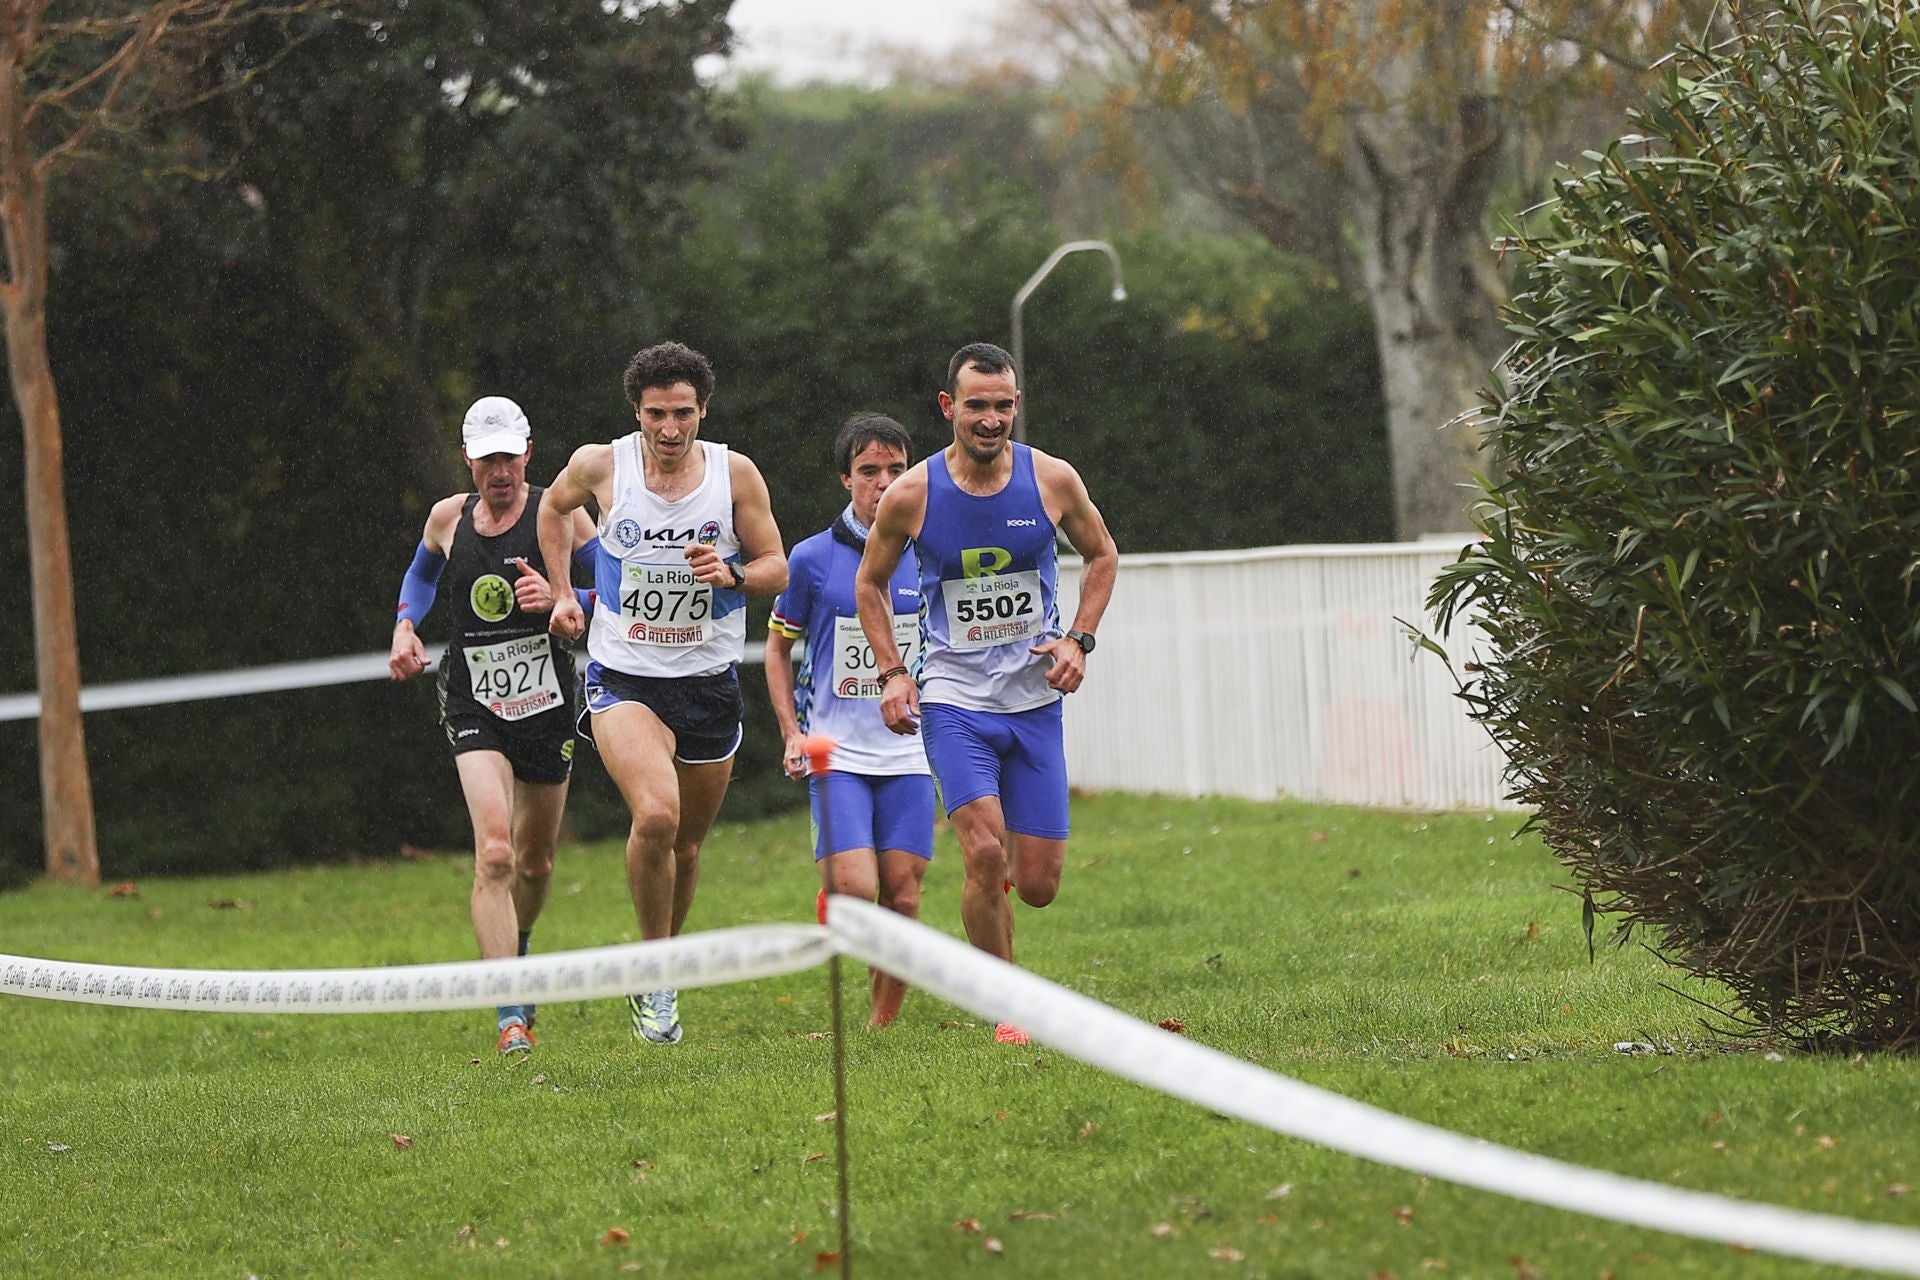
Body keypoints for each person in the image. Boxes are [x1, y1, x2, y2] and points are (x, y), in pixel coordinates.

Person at [855, 342, 1118, 1045]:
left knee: (1036, 884)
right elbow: (869, 585)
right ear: (949, 408)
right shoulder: (911, 494)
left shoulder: (1052, 480)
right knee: (981, 851)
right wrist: (892, 672)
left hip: (1034, 702)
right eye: (976, 406)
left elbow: (1102, 554)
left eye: (1003, 405)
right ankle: (1009, 1006)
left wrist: (1078, 639)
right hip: (953, 699)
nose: (991, 419)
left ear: (1016, 406)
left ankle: (995, 907)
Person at [540, 341, 787, 1046]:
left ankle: (663, 966)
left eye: (683, 414)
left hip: (707, 685)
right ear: (636, 413)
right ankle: (654, 979)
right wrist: (562, 593)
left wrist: (734, 575)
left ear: (703, 411)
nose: (671, 430)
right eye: (657, 415)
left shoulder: (735, 474)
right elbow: (553, 510)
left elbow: (778, 567)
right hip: (624, 679)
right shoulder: (601, 465)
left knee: (685, 846)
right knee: (655, 817)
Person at [389, 395, 600, 1058]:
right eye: (486, 460)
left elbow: (617, 584)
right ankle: (511, 1015)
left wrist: (566, 599)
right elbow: (422, 573)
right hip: (473, 700)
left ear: (528, 454)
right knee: (497, 852)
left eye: (509, 456)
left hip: (546, 705)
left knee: (535, 863)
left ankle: (521, 951)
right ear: (468, 461)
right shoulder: (448, 519)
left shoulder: (559, 514)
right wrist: (403, 623)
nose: (499, 470)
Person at [766, 413, 935, 1028]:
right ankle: (836, 896)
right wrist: (792, 732)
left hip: (912, 753)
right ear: (846, 479)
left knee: (904, 893)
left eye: (896, 470)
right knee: (860, 891)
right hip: (837, 754)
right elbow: (778, 650)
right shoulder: (812, 558)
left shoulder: (933, 549)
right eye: (869, 471)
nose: (884, 483)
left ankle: (881, 1024)